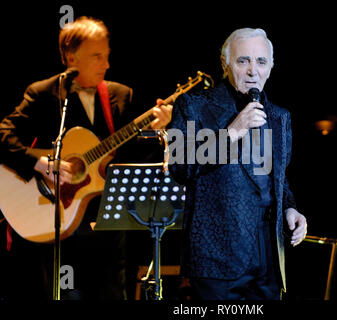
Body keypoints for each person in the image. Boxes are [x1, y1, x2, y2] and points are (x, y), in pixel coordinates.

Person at [0, 16, 172, 300]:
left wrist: (158, 130)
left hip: (106, 226)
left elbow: (132, 158)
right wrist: (41, 162)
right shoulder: (44, 93)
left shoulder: (120, 95)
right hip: (54, 219)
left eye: (107, 55)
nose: (106, 64)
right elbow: (4, 136)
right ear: (71, 57)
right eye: (96, 56)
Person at [169, 28, 307, 300]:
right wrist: (232, 132)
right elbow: (179, 165)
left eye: (261, 62)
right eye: (243, 61)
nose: (252, 71)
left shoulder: (280, 116)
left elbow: (277, 179)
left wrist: (290, 208)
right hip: (218, 257)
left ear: (271, 67)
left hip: (268, 252)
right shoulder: (193, 106)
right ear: (225, 64)